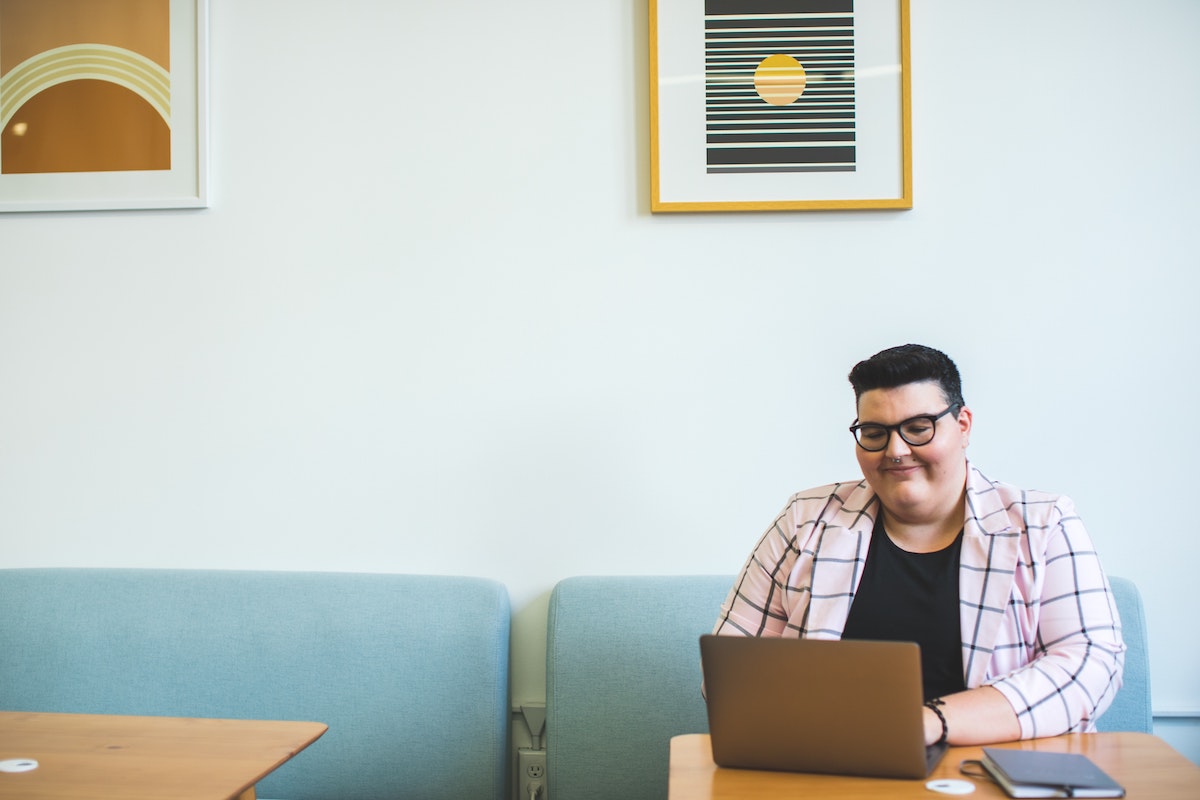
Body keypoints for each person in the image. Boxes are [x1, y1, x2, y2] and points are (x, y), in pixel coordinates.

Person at [713, 344, 1125, 746]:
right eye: (874, 433)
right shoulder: (805, 520)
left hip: (995, 768)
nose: (896, 451)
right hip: (832, 765)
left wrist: (929, 722)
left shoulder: (1043, 523)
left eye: (918, 428)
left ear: (962, 425)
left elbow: (1091, 666)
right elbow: (729, 670)